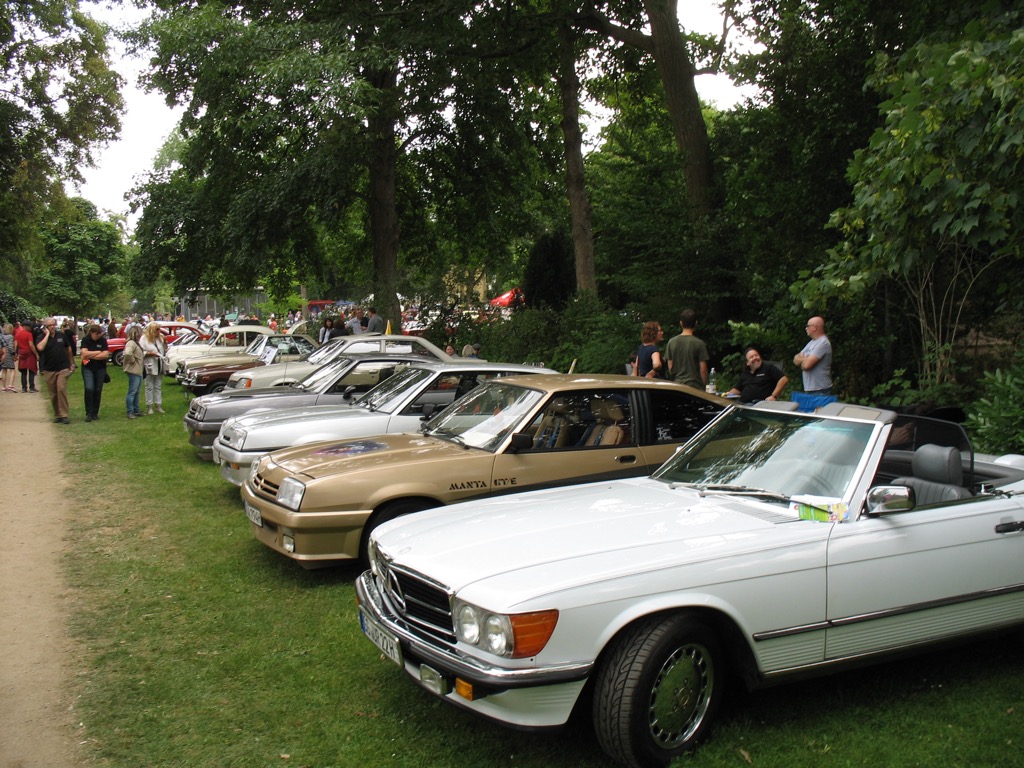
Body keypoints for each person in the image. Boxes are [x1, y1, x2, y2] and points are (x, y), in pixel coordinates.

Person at [35, 317, 74, 424]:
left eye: (53, 325)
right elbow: (40, 348)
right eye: (49, 325)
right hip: (49, 369)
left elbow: (68, 348)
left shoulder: (61, 335)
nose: (52, 327)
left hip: (62, 367)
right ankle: (58, 414)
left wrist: (71, 363)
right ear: (45, 327)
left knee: (61, 389)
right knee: (53, 393)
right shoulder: (41, 337)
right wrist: (47, 335)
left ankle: (64, 414)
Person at [664, 309, 709, 389]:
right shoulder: (699, 343)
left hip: (677, 385)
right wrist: (704, 385)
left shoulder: (671, 342)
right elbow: (703, 369)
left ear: (681, 323)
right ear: (696, 323)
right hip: (695, 386)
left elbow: (670, 367)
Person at [793, 316, 833, 395]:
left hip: (821, 390)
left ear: (814, 328)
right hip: (810, 389)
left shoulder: (823, 343)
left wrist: (804, 361)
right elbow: (795, 359)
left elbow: (807, 366)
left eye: (808, 326)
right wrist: (806, 359)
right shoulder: (811, 343)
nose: (806, 328)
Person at [79, 324, 110, 421]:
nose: (98, 336)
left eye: (99, 334)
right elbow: (84, 353)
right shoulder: (85, 340)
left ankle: (95, 413)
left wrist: (90, 355)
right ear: (92, 333)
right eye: (97, 334)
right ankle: (89, 412)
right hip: (87, 368)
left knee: (97, 390)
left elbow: (105, 355)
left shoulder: (103, 340)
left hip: (100, 368)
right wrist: (98, 352)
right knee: (89, 388)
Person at [140, 322, 166, 415]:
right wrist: (150, 353)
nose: (159, 331)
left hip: (159, 364)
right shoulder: (144, 339)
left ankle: (158, 405)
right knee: (149, 386)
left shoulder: (160, 338)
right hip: (149, 365)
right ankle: (149, 406)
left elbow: (163, 350)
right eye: (157, 329)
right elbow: (140, 352)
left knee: (158, 385)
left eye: (159, 329)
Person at [122, 325, 145, 419]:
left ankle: (136, 410)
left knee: (137, 391)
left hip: (138, 370)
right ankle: (130, 411)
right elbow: (128, 353)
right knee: (132, 391)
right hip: (133, 370)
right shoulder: (131, 343)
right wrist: (132, 361)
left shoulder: (136, 343)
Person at [15, 320, 39, 392]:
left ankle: (24, 388)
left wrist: (16, 353)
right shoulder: (29, 334)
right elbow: (31, 345)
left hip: (21, 353)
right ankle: (31, 387)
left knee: (23, 372)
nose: (31, 328)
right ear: (26, 326)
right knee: (31, 370)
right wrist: (36, 354)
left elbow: (15, 344)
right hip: (29, 353)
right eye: (29, 326)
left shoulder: (17, 334)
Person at [1, 323, 16, 391]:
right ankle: (11, 385)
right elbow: (10, 346)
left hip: (2, 354)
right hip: (9, 354)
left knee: (4, 370)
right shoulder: (11, 336)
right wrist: (13, 354)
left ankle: (3, 386)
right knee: (12, 369)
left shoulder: (1, 336)